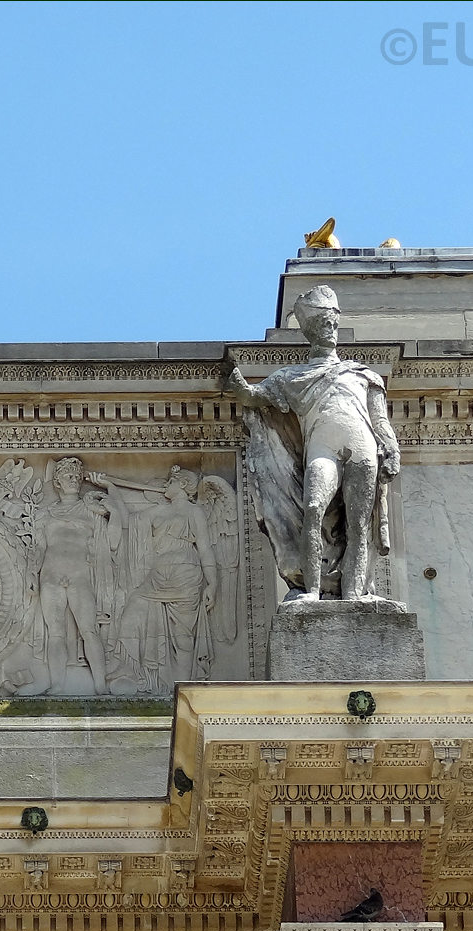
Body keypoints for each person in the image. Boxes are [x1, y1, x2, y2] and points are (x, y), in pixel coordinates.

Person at [223, 284, 400, 601]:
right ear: (310, 330)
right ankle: (312, 591)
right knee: (314, 508)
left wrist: (392, 449)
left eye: (333, 323)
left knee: (359, 525)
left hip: (363, 450)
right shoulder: (292, 377)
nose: (330, 329)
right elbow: (253, 396)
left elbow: (380, 420)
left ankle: (355, 594)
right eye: (323, 324)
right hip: (323, 450)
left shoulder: (364, 375)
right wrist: (235, 382)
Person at [93, 466, 219, 690]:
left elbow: (205, 548)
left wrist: (213, 583)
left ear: (182, 485)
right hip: (158, 575)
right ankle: (128, 670)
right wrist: (111, 489)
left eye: (170, 481)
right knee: (132, 610)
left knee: (183, 637)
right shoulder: (158, 511)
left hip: (186, 575)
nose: (165, 485)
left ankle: (182, 690)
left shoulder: (194, 512)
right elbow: (128, 522)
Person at [33, 457, 119, 693]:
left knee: (89, 629)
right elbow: (39, 549)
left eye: (76, 476)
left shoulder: (90, 509)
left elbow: (113, 541)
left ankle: (100, 685)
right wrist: (30, 578)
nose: (73, 480)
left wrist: (115, 507)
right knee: (56, 633)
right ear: (57, 482)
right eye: (67, 476)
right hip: (50, 576)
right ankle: (57, 684)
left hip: (79, 575)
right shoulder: (45, 514)